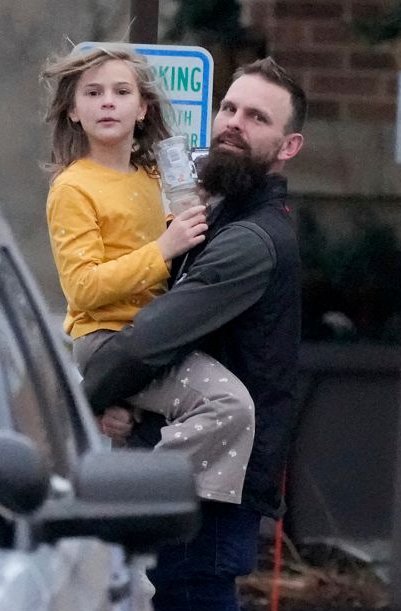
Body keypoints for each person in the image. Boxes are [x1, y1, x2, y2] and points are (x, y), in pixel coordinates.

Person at [78, 57, 307, 611]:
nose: (234, 124)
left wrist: (77, 399)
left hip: (212, 492)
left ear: (287, 146)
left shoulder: (252, 242)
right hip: (196, 478)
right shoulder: (213, 216)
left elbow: (149, 341)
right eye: (230, 109)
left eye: (257, 117)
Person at [41, 45, 255, 503]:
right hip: (108, 337)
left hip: (157, 334)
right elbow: (82, 287)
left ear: (142, 109)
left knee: (136, 571)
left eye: (121, 92)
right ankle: (138, 496)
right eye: (93, 93)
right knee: (228, 404)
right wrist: (163, 248)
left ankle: (138, 514)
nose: (107, 102)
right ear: (73, 111)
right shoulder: (72, 187)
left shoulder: (158, 178)